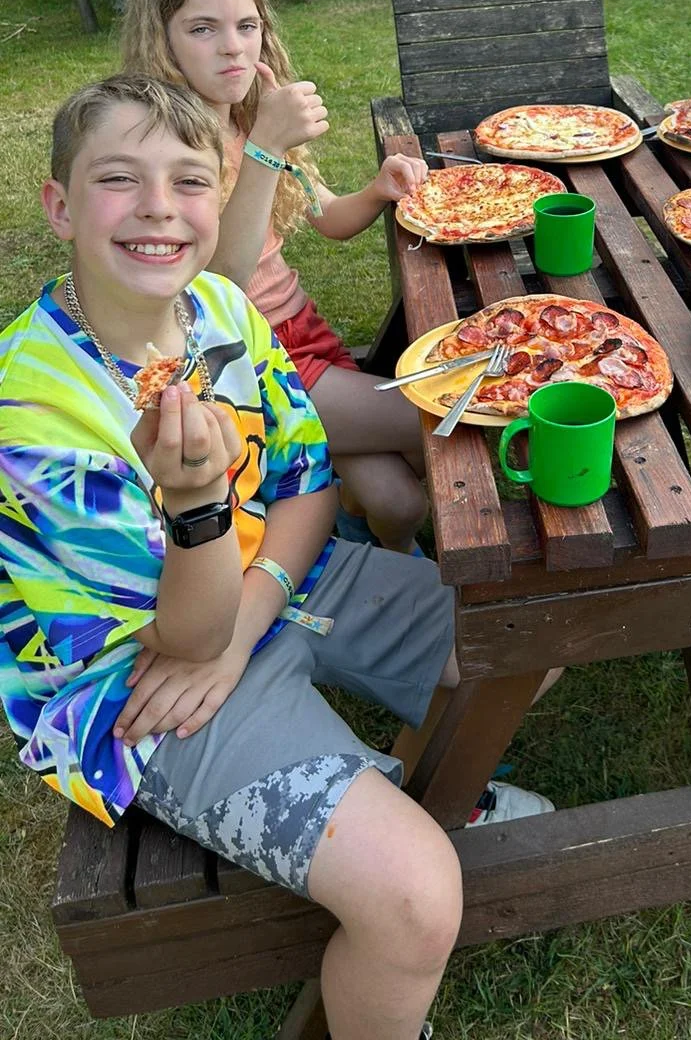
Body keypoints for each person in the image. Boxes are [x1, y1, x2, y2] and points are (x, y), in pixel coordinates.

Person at [0, 74, 550, 1040]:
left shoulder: (221, 307)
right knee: (418, 901)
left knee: (522, 640)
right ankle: (389, 845)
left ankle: (408, 795)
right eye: (120, 180)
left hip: (266, 590)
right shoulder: (32, 417)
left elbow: (308, 486)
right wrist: (201, 505)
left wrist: (253, 596)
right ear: (59, 205)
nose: (160, 207)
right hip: (136, 685)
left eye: (187, 181)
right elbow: (184, 637)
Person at [120, 0, 430, 551]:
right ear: (164, 42)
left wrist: (376, 191)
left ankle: (340, 522)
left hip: (301, 333)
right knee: (433, 423)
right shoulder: (167, 147)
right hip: (239, 361)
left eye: (246, 25)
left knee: (402, 498)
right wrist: (266, 144)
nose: (232, 45)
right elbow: (222, 284)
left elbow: (328, 217)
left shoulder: (249, 120)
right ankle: (337, 532)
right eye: (203, 29)